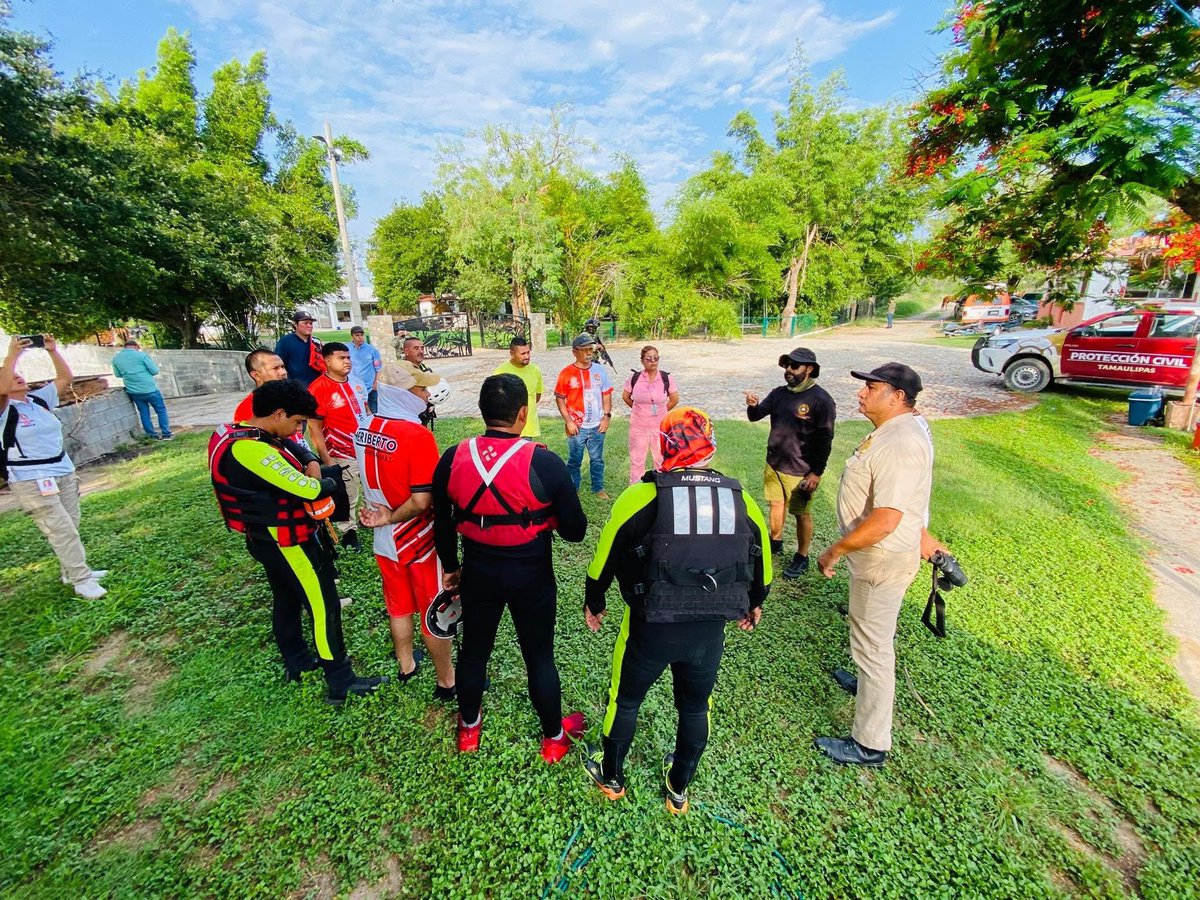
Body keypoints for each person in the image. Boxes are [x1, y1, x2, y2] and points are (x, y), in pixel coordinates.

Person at [581, 406, 771, 814]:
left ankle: (612, 776)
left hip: (649, 626)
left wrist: (594, 601)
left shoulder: (641, 495)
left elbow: (604, 559)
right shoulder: (743, 500)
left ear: (664, 444)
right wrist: (755, 604)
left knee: (625, 700)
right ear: (711, 446)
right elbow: (764, 566)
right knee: (696, 706)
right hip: (708, 631)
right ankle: (678, 788)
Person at [432, 374, 588, 762]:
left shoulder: (452, 457)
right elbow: (576, 531)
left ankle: (469, 729)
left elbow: (442, 521)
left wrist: (451, 568)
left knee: (472, 655)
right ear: (523, 413)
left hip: (478, 572)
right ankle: (553, 737)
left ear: (483, 411)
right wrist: (544, 514)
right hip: (530, 575)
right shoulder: (544, 462)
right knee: (539, 657)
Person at [209, 379, 386, 705]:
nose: (299, 429)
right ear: (278, 413)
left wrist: (312, 462)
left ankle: (298, 661)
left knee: (287, 599)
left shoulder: (237, 431)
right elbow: (311, 490)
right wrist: (329, 477)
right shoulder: (249, 450)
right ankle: (341, 681)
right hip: (286, 541)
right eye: (296, 422)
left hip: (266, 539)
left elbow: (298, 450)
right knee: (324, 605)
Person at [813, 362, 933, 767]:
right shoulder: (893, 431)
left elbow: (887, 519)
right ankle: (865, 684)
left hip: (880, 558)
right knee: (870, 635)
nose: (861, 394)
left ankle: (870, 742)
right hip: (877, 557)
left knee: (874, 648)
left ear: (897, 396)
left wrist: (835, 550)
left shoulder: (901, 442)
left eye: (872, 387)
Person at [354, 364, 455, 699]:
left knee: (397, 604)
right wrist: (392, 517)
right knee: (433, 610)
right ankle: (446, 682)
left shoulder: (363, 426)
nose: (426, 395)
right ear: (404, 394)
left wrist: (383, 517)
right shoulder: (417, 436)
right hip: (415, 538)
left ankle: (406, 665)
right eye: (420, 390)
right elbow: (422, 499)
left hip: (383, 537)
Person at [1, 335, 108, 599]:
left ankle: (70, 571)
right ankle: (81, 579)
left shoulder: (37, 401)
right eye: (12, 375)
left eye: (19, 373)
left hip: (62, 470)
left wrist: (53, 351)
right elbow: (2, 389)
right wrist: (12, 355)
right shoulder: (4, 409)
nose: (19, 376)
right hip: (30, 478)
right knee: (60, 529)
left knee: (71, 523)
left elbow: (64, 378)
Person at [744, 347, 835, 579]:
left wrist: (816, 473)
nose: (789, 370)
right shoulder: (778, 394)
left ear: (809, 369)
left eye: (794, 366)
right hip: (774, 464)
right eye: (787, 365)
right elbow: (756, 416)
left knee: (801, 514)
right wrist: (752, 405)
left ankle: (802, 556)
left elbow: (826, 439)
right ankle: (775, 542)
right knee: (776, 505)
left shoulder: (822, 400)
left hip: (801, 470)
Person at [307, 342, 369, 544]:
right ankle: (348, 532)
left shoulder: (357, 382)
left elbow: (366, 412)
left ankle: (370, 519)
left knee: (370, 487)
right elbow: (314, 427)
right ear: (327, 361)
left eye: (348, 357)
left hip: (365, 447)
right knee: (348, 492)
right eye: (341, 358)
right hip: (340, 451)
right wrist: (326, 459)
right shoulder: (318, 389)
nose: (347, 362)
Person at [554, 334, 614, 500]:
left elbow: (606, 394)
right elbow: (559, 398)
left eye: (591, 349)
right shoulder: (566, 373)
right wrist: (569, 421)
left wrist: (606, 417)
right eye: (585, 350)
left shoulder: (599, 370)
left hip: (597, 426)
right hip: (576, 427)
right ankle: (573, 488)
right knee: (574, 460)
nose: (589, 353)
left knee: (597, 459)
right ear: (575, 352)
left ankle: (598, 488)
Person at [622, 345, 679, 484]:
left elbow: (674, 399)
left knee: (661, 461)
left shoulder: (666, 378)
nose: (653, 361)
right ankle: (634, 491)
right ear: (642, 360)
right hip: (638, 426)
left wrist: (662, 411)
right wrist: (639, 409)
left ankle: (662, 488)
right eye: (649, 358)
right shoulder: (634, 378)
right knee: (637, 462)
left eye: (656, 358)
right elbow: (626, 397)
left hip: (659, 427)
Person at [111, 339, 172, 440]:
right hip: (150, 388)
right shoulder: (141, 355)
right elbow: (154, 370)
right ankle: (166, 434)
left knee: (144, 412)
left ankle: (151, 435)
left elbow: (118, 374)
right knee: (161, 410)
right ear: (136, 346)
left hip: (133, 391)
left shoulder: (116, 358)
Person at [492, 337, 544, 438]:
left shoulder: (535, 370)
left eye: (528, 352)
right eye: (523, 354)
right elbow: (495, 401)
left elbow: (537, 397)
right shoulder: (500, 372)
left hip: (528, 428)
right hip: (506, 428)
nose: (527, 356)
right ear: (512, 353)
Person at [398, 337, 441, 428]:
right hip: (407, 419)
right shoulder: (400, 372)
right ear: (406, 351)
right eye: (416, 348)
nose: (421, 351)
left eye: (422, 348)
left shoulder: (425, 370)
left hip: (423, 418)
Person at [274, 311, 324, 387]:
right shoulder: (285, 341)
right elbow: (279, 364)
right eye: (305, 323)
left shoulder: (316, 341)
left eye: (311, 323)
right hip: (295, 388)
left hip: (317, 385)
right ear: (295, 324)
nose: (309, 326)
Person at [348, 325, 382, 414]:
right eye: (357, 335)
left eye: (361, 335)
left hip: (370, 387)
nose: (360, 337)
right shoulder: (347, 349)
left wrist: (375, 383)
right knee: (358, 412)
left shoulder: (372, 350)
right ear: (352, 336)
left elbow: (378, 368)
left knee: (374, 412)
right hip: (353, 387)